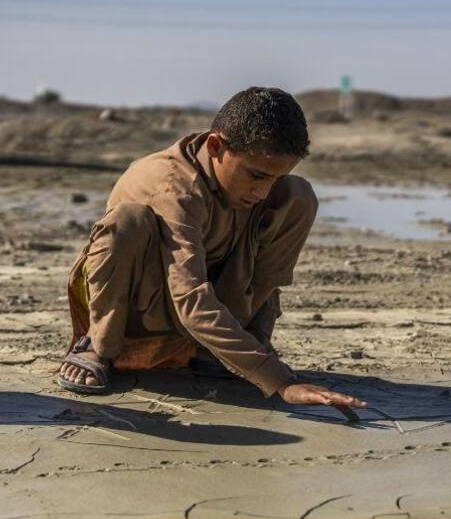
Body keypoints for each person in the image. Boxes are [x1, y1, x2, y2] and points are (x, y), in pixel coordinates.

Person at [58, 87, 366, 420]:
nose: (262, 192)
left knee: (298, 195)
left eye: (275, 177)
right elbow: (190, 299)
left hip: (211, 307)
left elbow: (265, 279)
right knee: (127, 221)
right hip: (141, 311)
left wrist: (256, 349)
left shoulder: (263, 190)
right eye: (256, 175)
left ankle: (220, 352)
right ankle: (97, 348)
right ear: (216, 146)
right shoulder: (173, 187)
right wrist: (279, 382)